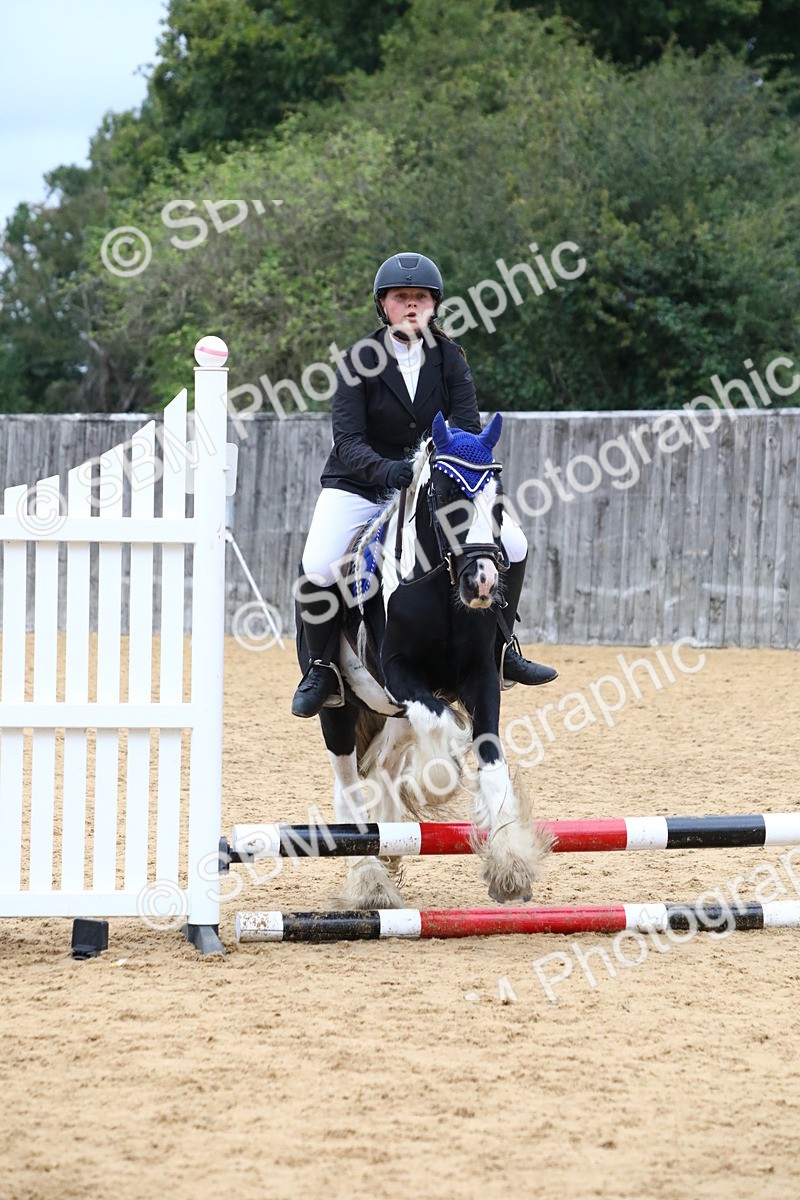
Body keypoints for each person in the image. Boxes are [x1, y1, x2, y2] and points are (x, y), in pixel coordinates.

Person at [291, 251, 558, 718]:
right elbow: (348, 440)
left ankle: (503, 647)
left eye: (420, 298)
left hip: (435, 485)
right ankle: (321, 668)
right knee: (317, 562)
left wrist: (432, 472)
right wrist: (391, 472)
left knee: (514, 544)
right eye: (401, 298)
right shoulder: (358, 360)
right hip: (361, 485)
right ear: (384, 305)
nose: (411, 306)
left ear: (434, 305)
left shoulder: (450, 358)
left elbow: (466, 426)